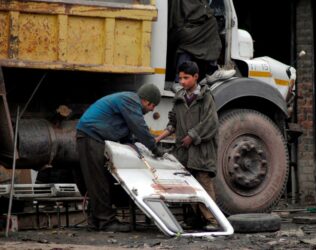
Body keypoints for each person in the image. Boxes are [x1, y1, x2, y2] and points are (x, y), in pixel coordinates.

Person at [76, 83, 164, 232]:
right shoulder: (131, 102)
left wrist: (132, 144)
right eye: (152, 106)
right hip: (91, 137)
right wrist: (155, 149)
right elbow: (139, 127)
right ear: (147, 101)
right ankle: (106, 221)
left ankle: (96, 221)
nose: (152, 110)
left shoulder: (127, 100)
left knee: (99, 179)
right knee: (99, 181)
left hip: (92, 136)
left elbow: (125, 130)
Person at [155, 61, 219, 231]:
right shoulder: (178, 99)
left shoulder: (206, 97)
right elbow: (172, 124)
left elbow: (211, 122)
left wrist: (192, 136)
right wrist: (157, 138)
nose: (182, 81)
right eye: (180, 78)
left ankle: (213, 220)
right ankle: (193, 220)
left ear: (196, 77)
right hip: (184, 152)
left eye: (186, 78)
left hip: (202, 151)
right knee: (187, 185)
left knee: (204, 184)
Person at [168, 0, 222, 84]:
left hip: (184, 29)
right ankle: (212, 71)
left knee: (186, 49)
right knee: (212, 24)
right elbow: (198, 13)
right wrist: (209, 13)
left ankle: (179, 79)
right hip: (186, 29)